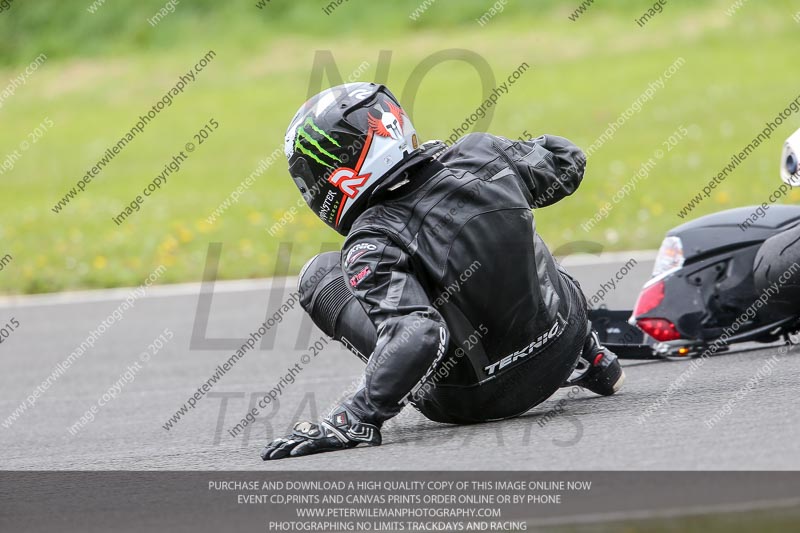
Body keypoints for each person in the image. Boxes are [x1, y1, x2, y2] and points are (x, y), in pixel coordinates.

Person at [261, 82, 624, 460]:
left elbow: (420, 333)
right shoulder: (481, 152)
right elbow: (567, 160)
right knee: (505, 216)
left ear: (337, 174)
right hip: (563, 343)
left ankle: (374, 408)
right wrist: (480, 162)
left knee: (319, 275)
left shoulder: (371, 240)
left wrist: (354, 415)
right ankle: (588, 353)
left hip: (470, 400)